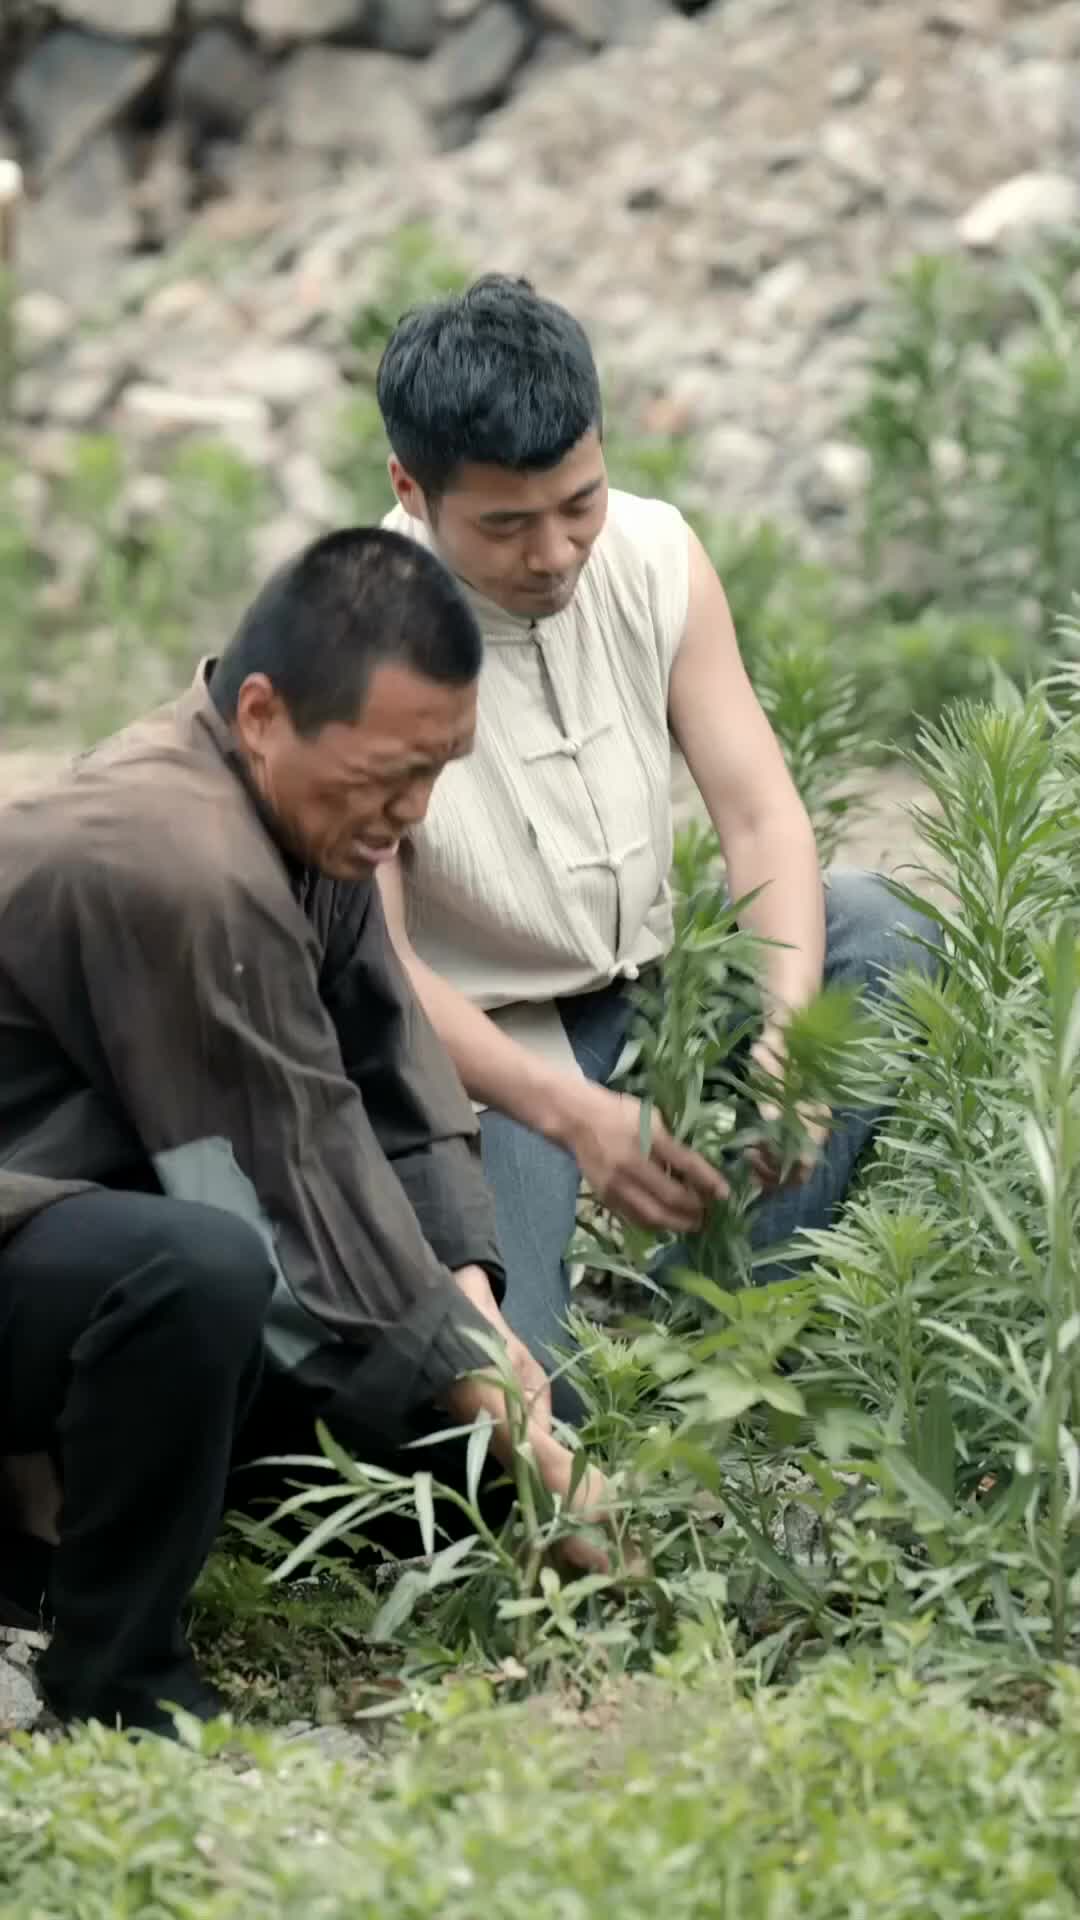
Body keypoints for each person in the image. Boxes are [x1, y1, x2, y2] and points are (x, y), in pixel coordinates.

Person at [0, 527, 606, 1737]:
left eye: (438, 772)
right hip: (45, 1239)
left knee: (497, 1449)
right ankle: (112, 1670)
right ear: (264, 713)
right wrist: (491, 1395)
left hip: (128, 1219)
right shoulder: (180, 860)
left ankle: (101, 1500)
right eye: (388, 777)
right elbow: (291, 1178)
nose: (410, 814)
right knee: (202, 1273)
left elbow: (396, 1086)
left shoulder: (310, 813)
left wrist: (485, 1331)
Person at [372, 274, 941, 1418]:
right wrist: (565, 1110)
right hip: (482, 1051)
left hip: (650, 987)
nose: (554, 552)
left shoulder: (652, 552)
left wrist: (786, 1042)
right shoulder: (358, 632)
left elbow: (760, 817)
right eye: (505, 525)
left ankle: (721, 1323)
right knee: (530, 1393)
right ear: (410, 489)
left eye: (577, 502)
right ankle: (606, 1372)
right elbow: (374, 967)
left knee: (880, 930)